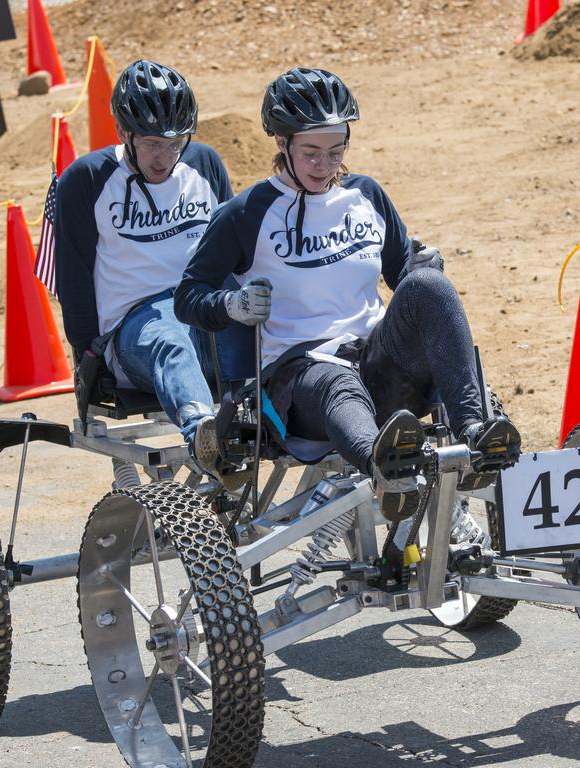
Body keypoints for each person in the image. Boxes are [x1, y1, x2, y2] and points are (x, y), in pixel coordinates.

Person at [174, 67, 520, 521]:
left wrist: (421, 267)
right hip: (298, 377)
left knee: (429, 285)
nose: (325, 165)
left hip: (376, 363)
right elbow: (188, 296)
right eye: (311, 152)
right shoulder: (245, 213)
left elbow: (402, 275)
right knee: (336, 381)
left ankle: (474, 434)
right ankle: (384, 466)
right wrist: (230, 305)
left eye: (336, 151)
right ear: (282, 144)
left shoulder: (366, 196)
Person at [54, 59, 230, 477]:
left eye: (176, 143)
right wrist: (87, 360)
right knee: (168, 335)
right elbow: (74, 280)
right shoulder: (88, 179)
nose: (165, 157)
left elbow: (233, 251)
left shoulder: (203, 164)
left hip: (202, 311)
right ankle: (205, 435)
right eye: (152, 143)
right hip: (131, 332)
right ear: (123, 133)